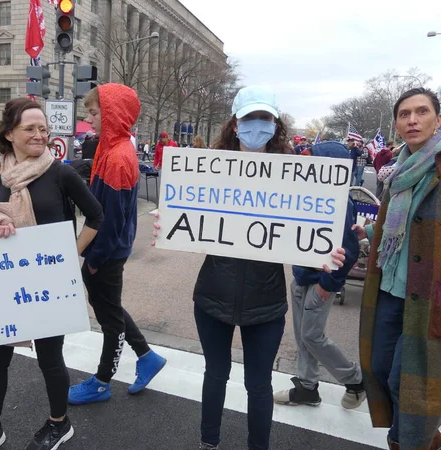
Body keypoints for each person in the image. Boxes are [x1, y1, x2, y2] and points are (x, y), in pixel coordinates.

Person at [152, 85, 346, 450]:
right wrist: (171, 222)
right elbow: (193, 222)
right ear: (235, 123)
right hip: (212, 296)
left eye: (265, 118)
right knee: (216, 375)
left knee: (258, 386)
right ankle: (208, 442)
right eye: (249, 118)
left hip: (266, 305)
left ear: (275, 124)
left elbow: (300, 238)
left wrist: (325, 255)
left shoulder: (296, 176)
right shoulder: (207, 169)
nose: (257, 125)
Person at [0, 98, 104, 450]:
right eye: (30, 128)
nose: (39, 134)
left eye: (43, 128)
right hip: (6, 282)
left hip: (48, 283)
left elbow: (97, 216)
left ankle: (60, 424)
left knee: (49, 357)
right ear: (10, 134)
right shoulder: (1, 174)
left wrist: (71, 255)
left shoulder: (61, 172)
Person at [68, 84, 167, 405]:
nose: (89, 118)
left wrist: (93, 259)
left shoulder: (117, 157)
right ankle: (147, 357)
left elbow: (107, 221)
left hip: (106, 252)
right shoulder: (114, 150)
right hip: (109, 250)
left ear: (113, 114)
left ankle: (102, 381)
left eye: (95, 113)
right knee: (110, 308)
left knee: (109, 317)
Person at [354, 88, 441, 450]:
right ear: (396, 123)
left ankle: (411, 442)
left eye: (422, 112)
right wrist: (369, 232)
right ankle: (413, 438)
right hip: (389, 290)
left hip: (426, 299)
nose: (412, 120)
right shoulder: (399, 169)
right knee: (381, 371)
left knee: (412, 384)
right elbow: (398, 224)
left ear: (438, 119)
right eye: (405, 114)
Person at [273, 141, 365, 410]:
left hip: (319, 282)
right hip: (301, 277)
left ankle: (355, 380)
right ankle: (307, 387)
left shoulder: (340, 200)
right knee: (303, 336)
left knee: (313, 336)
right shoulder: (306, 194)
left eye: (312, 160)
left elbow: (349, 248)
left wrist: (328, 285)